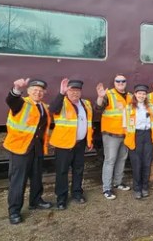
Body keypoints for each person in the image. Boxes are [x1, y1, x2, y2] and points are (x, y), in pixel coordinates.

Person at [3, 78, 52, 225]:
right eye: (35, 90)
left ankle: (35, 201)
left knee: (36, 177)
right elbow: (11, 100)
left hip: (36, 148)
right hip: (20, 148)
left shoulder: (43, 106)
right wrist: (16, 89)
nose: (38, 92)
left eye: (41, 91)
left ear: (44, 93)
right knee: (18, 181)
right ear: (29, 91)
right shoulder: (21, 103)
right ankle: (14, 211)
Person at [50, 79, 93, 210]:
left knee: (78, 170)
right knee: (62, 172)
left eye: (77, 91)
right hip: (63, 145)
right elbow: (52, 110)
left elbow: (88, 123)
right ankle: (61, 199)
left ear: (81, 92)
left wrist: (89, 140)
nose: (75, 93)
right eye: (72, 90)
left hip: (79, 144)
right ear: (67, 91)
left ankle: (77, 193)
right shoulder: (61, 102)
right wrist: (60, 93)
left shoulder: (85, 103)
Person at [124, 85, 153, 199]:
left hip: (148, 136)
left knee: (147, 162)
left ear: (145, 95)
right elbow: (125, 126)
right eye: (139, 93)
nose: (141, 96)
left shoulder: (151, 106)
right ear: (135, 94)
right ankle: (137, 189)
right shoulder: (128, 108)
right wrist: (129, 137)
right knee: (136, 163)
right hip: (135, 136)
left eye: (143, 94)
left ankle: (145, 187)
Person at [95, 74, 132, 200]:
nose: (120, 83)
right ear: (114, 82)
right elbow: (99, 108)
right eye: (118, 81)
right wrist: (100, 97)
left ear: (126, 82)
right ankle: (107, 188)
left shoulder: (130, 96)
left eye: (123, 81)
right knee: (110, 160)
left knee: (122, 159)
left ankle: (118, 182)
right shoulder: (109, 94)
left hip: (125, 134)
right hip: (111, 134)